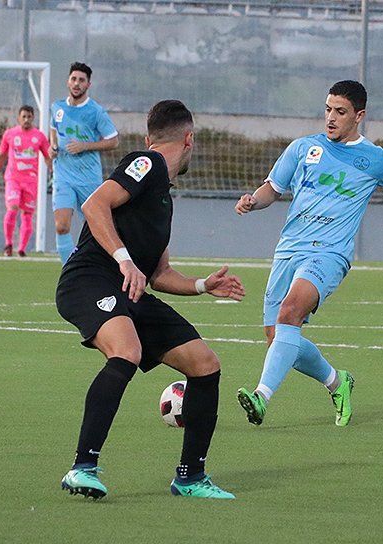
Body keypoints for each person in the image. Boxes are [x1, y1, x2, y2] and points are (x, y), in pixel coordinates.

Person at [234, 80, 383, 427]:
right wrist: (254, 202)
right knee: (279, 339)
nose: (331, 118)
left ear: (358, 116)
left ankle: (262, 398)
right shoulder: (303, 148)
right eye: (328, 109)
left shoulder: (377, 159)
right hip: (288, 251)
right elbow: (273, 188)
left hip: (329, 254)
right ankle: (336, 381)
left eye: (340, 112)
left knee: (290, 312)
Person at [56, 100, 244, 500]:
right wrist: (124, 260)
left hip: (132, 289)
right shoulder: (147, 162)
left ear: (149, 135)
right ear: (189, 138)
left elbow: (159, 275)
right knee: (126, 351)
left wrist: (201, 285)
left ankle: (190, 477)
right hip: (89, 279)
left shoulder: (163, 197)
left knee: (205, 364)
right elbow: (93, 205)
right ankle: (82, 467)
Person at [50, 62, 120, 264]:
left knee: (98, 228)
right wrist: (52, 147)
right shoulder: (57, 107)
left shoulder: (95, 111)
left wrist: (85, 146)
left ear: (88, 84)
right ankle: (68, 270)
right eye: (74, 79)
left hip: (88, 178)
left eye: (81, 80)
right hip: (63, 176)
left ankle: (110, 267)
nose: (77, 83)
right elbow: (53, 129)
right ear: (68, 81)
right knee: (61, 226)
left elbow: (113, 140)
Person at [0, 104, 52, 257]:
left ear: (33, 118)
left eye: (29, 117)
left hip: (31, 181)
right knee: (13, 207)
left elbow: (48, 156)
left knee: (28, 214)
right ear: (18, 118)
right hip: (13, 179)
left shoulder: (40, 136)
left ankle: (22, 248)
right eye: (23, 116)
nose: (26, 120)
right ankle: (8, 244)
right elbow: (2, 154)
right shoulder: (10, 134)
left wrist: (53, 174)